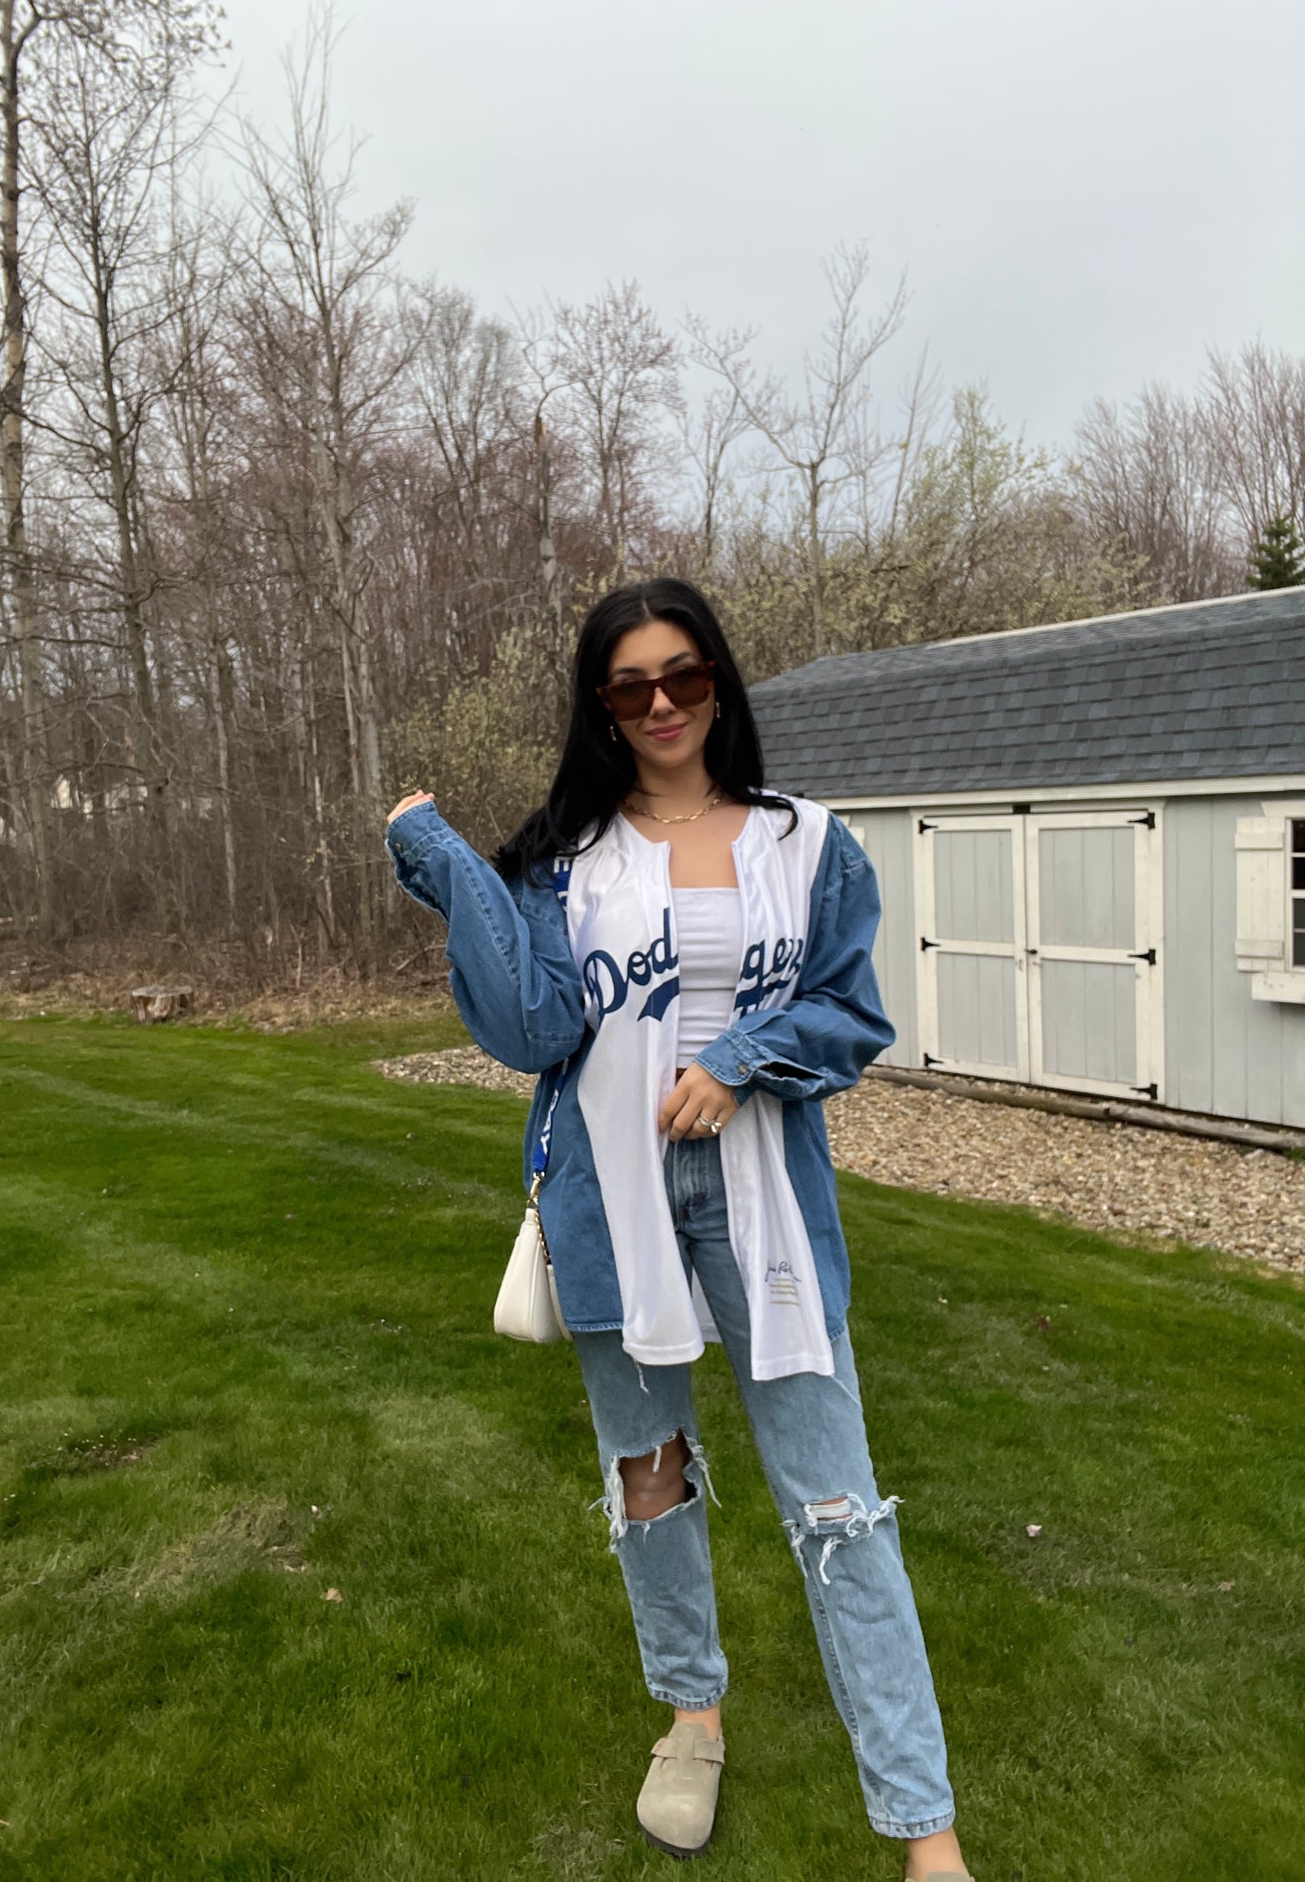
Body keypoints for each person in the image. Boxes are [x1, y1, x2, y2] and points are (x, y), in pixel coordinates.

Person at [384, 579, 969, 1878]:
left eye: (683, 678)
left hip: (764, 1206)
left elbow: (849, 1015)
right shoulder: (561, 863)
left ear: (718, 684)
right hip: (610, 1207)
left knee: (836, 1507)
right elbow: (530, 1030)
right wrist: (434, 856)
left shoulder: (805, 844)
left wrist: (742, 1055)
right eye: (629, 687)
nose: (659, 706)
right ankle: (690, 1719)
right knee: (653, 1488)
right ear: (600, 706)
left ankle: (922, 1827)